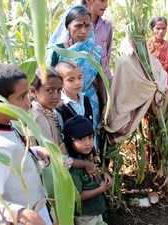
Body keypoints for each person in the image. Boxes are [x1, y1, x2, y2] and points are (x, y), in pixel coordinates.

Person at [0, 64, 52, 225]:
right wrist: (21, 214)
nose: (28, 103)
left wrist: (34, 151)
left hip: (37, 211)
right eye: (21, 97)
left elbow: (14, 157)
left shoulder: (10, 127)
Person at [48, 5, 104, 153]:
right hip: (64, 102)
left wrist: (105, 105)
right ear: (67, 27)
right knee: (68, 138)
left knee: (89, 138)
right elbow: (48, 79)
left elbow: (100, 78)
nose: (83, 31)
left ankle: (93, 168)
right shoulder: (57, 50)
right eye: (78, 26)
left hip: (89, 101)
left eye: (87, 25)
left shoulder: (94, 49)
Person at [63, 115, 112, 225]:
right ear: (70, 140)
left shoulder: (89, 158)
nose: (88, 143)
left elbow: (97, 170)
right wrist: (100, 189)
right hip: (85, 216)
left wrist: (104, 175)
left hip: (96, 212)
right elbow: (78, 196)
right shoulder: (73, 168)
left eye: (90, 137)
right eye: (82, 139)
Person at [48, 0, 113, 81]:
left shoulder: (107, 27)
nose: (106, 5)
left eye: (87, 26)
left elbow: (106, 56)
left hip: (101, 82)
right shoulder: (71, 18)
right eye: (102, 0)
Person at [30, 68, 65, 154]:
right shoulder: (36, 116)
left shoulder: (54, 112)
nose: (56, 96)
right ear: (33, 92)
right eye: (49, 90)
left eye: (59, 90)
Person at [147, 16, 168, 87]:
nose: (161, 31)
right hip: (150, 82)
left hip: (166, 83)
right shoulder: (147, 46)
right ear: (152, 29)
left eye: (164, 28)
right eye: (158, 28)